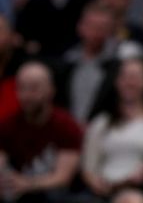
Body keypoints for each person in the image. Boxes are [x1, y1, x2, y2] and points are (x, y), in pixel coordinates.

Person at [81, 57, 143, 200]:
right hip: (104, 189)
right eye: (124, 77)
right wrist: (95, 182)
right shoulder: (101, 123)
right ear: (117, 82)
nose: (129, 82)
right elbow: (89, 167)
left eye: (135, 77)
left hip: (142, 187)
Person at [0, 61, 83, 203]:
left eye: (33, 88)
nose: (26, 95)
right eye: (21, 88)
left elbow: (63, 178)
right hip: (19, 193)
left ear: (51, 90)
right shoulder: (9, 125)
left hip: (56, 195)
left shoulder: (66, 125)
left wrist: (27, 184)